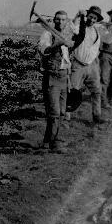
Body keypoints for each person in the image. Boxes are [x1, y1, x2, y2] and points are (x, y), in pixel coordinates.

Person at [37, 9, 73, 150]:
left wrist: (69, 79)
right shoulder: (47, 34)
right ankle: (54, 143)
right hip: (52, 77)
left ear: (67, 21)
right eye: (58, 19)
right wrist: (57, 44)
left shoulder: (66, 35)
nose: (60, 22)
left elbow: (67, 60)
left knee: (62, 112)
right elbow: (43, 50)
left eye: (64, 19)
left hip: (64, 77)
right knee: (54, 112)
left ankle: (48, 142)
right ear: (54, 20)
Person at [69, 5, 107, 124]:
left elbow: (96, 49)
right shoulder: (80, 28)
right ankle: (66, 118)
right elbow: (72, 27)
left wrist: (95, 63)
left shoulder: (97, 32)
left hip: (91, 66)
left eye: (94, 18)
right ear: (86, 17)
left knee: (96, 91)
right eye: (90, 17)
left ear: (97, 20)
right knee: (72, 91)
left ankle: (97, 116)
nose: (92, 20)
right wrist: (77, 15)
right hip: (78, 65)